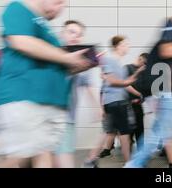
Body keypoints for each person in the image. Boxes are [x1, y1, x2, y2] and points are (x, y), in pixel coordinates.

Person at [0, 0, 91, 168]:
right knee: (19, 159)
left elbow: (49, 62)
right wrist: (65, 58)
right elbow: (21, 41)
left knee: (42, 155)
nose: (61, 8)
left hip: (47, 102)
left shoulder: (44, 26)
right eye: (58, 2)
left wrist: (73, 66)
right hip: (24, 97)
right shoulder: (18, 8)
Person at [124, 0, 172, 168]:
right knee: (159, 133)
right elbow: (166, 51)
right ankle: (133, 165)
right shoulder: (170, 24)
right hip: (168, 91)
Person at [53, 20, 102, 168]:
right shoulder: (50, 53)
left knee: (64, 161)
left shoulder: (82, 60)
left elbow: (88, 85)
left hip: (66, 118)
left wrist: (97, 107)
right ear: (62, 33)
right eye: (71, 32)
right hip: (43, 117)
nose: (76, 36)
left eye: (79, 34)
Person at [99, 36, 143, 162]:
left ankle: (91, 160)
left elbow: (125, 84)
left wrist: (139, 93)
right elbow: (114, 82)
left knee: (111, 133)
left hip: (116, 102)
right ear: (118, 46)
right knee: (124, 134)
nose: (128, 46)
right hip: (116, 102)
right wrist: (133, 77)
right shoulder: (109, 60)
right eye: (125, 44)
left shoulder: (118, 64)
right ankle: (129, 163)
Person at [126, 53, 148, 152]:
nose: (145, 66)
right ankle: (128, 157)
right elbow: (125, 85)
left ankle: (140, 155)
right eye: (144, 63)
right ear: (140, 59)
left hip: (138, 105)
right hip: (128, 106)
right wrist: (139, 94)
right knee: (128, 132)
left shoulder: (143, 72)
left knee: (140, 131)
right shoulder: (127, 68)